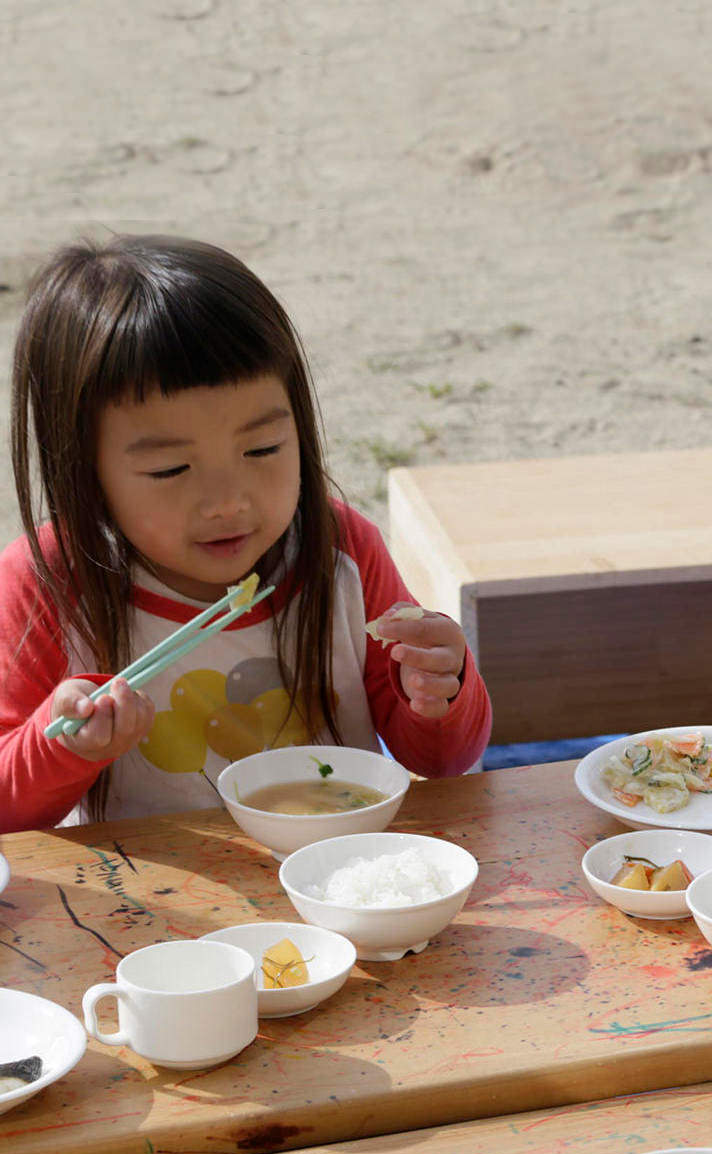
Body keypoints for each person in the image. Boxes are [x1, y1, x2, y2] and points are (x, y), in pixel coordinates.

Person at [1, 236, 491, 831]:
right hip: (153, 901)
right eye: (170, 470)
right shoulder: (49, 581)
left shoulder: (337, 548)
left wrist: (444, 686)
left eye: (262, 448)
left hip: (334, 871)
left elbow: (442, 761)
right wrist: (63, 746)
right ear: (83, 469)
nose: (228, 502)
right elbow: (8, 812)